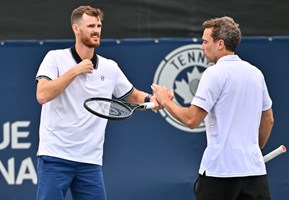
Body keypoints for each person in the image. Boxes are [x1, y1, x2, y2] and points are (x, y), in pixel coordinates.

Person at [35, 5, 159, 200]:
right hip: (55, 156)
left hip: (90, 162)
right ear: (76, 29)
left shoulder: (110, 67)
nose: (96, 30)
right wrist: (75, 71)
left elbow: (132, 95)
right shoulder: (55, 58)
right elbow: (42, 95)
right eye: (91, 25)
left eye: (99, 26)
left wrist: (152, 100)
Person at [151, 16, 274, 200]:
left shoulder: (214, 73)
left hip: (220, 176)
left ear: (220, 44)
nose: (201, 46)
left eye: (205, 41)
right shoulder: (256, 73)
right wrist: (253, 150)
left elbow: (191, 120)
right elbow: (268, 119)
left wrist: (165, 100)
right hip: (254, 173)